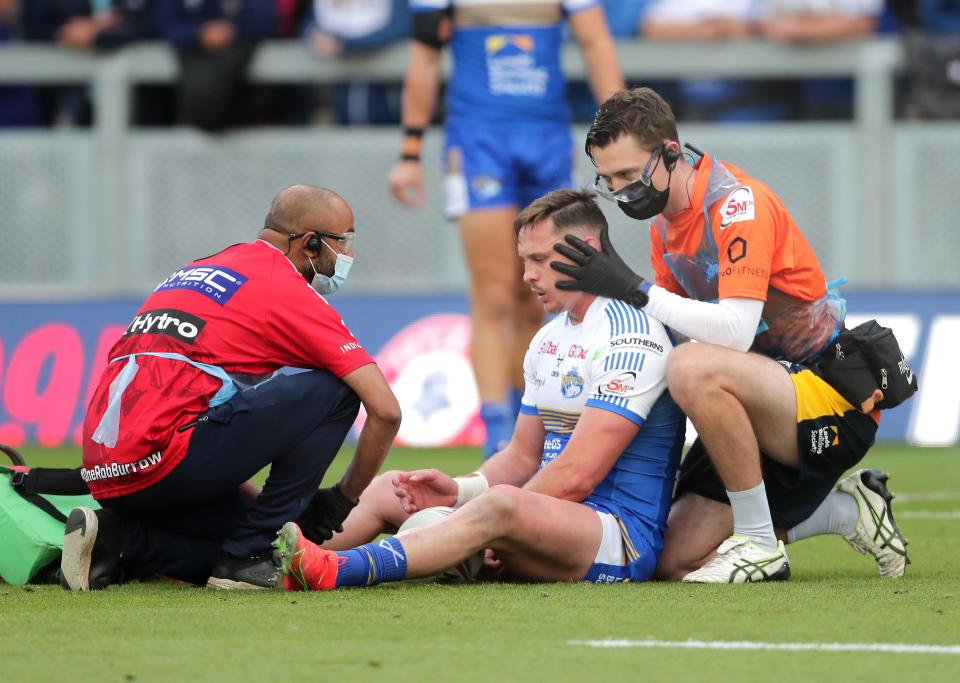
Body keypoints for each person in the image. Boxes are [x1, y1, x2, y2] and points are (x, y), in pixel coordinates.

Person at [550, 87, 909, 582]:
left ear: (670, 154)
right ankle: (848, 511)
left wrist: (631, 287)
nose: (619, 192)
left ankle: (761, 544)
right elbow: (671, 330)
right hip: (759, 398)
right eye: (607, 179)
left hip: (831, 396)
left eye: (629, 176)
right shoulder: (664, 228)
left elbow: (735, 334)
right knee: (672, 558)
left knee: (689, 366)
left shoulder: (739, 204)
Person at [272, 188, 687, 590]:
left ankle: (334, 569)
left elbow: (576, 476)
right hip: (541, 516)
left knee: (501, 505)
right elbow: (523, 454)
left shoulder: (633, 336)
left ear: (588, 249)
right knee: (391, 489)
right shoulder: (548, 339)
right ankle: (268, 565)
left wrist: (485, 518)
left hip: (616, 539)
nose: (526, 276)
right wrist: (462, 490)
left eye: (540, 260)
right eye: (525, 261)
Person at [61, 185, 402, 591]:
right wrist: (341, 500)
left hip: (106, 475)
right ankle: (246, 556)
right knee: (337, 392)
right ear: (311, 243)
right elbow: (385, 410)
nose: (347, 254)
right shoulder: (284, 286)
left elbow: (202, 404)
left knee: (255, 534)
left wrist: (261, 508)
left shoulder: (200, 268)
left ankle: (121, 540)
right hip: (165, 463)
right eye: (343, 241)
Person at [386, 0, 624, 459]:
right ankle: (496, 437)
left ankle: (527, 427)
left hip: (547, 137)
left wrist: (618, 134)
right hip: (478, 141)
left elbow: (596, 42)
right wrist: (410, 150)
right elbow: (425, 55)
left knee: (535, 294)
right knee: (493, 293)